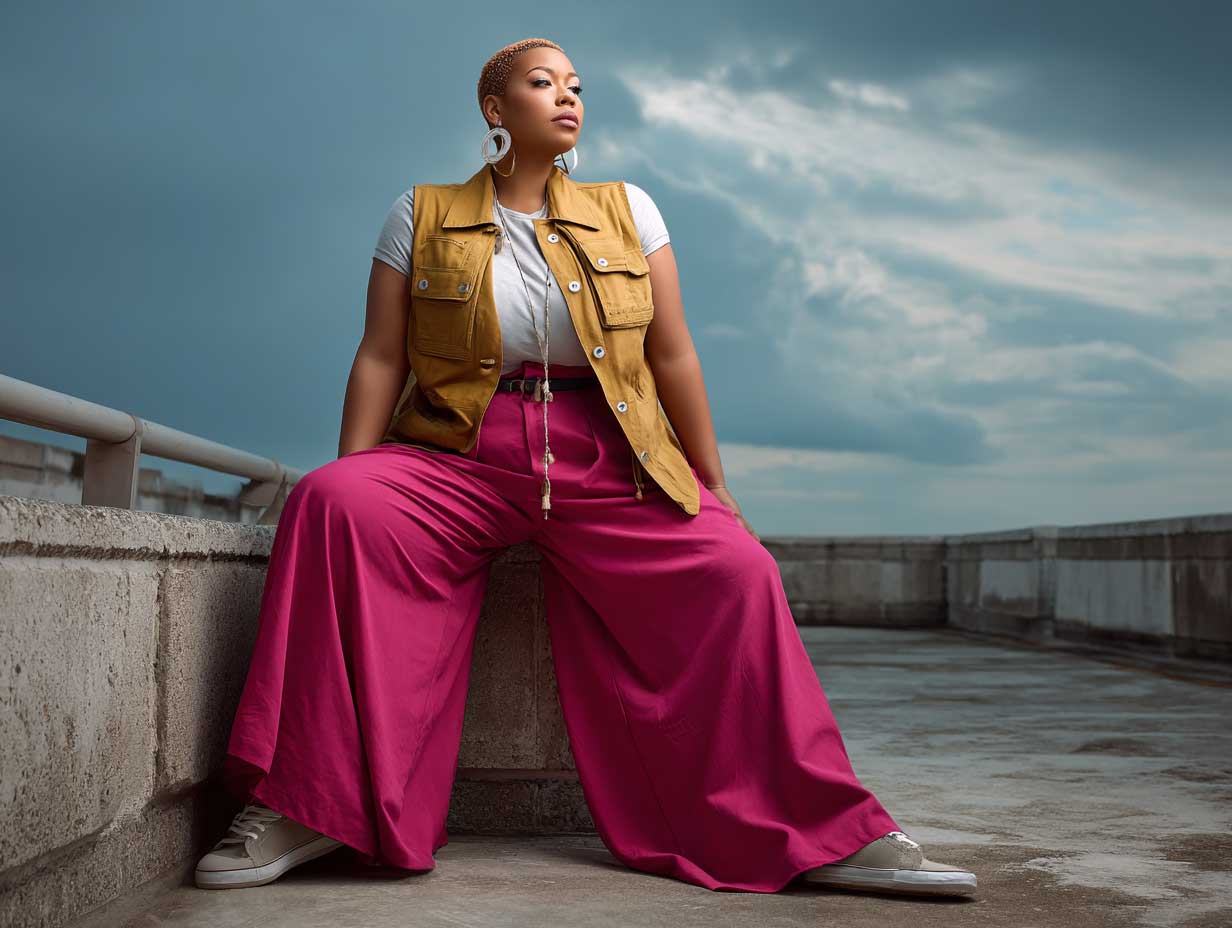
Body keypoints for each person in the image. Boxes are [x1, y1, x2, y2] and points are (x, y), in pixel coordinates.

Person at [194, 37, 977, 899]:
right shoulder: (418, 213)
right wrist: (365, 481)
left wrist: (713, 484)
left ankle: (823, 830)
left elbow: (674, 356)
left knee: (739, 568)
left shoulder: (629, 210)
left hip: (608, 450)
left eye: (575, 86)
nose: (567, 97)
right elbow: (381, 358)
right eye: (542, 84)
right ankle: (307, 807)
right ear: (496, 109)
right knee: (331, 502)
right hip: (461, 448)